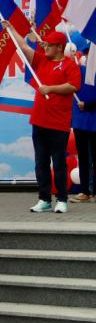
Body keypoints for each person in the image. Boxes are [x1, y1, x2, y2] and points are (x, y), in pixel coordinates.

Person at [3, 24, 81, 213]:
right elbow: (24, 47)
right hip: (39, 121)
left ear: (60, 47)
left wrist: (51, 88)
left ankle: (61, 199)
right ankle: (44, 199)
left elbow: (73, 86)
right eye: (45, 44)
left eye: (49, 45)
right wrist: (12, 29)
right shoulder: (41, 61)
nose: (44, 47)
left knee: (59, 163)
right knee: (41, 162)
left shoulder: (70, 65)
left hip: (59, 123)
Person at [71, 41, 96, 202]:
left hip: (94, 122)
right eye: (87, 53)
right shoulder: (78, 70)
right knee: (83, 158)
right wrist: (71, 58)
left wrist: (87, 106)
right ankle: (85, 191)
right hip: (80, 122)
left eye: (91, 53)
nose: (88, 56)